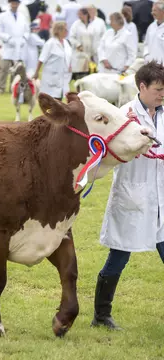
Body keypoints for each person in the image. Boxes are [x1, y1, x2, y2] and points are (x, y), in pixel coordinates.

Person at [92, 60, 164, 330]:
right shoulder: (124, 116)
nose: (162, 93)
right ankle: (101, 315)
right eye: (157, 89)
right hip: (134, 196)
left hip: (160, 198)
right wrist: (136, 142)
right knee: (119, 257)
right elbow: (111, 153)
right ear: (142, 86)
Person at [0, 0, 30, 94]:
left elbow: (27, 30)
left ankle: (13, 88)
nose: (14, 5)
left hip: (19, 46)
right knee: (4, 68)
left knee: (17, 69)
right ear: (10, 3)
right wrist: (7, 38)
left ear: (18, 4)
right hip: (7, 45)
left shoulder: (22, 16)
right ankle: (1, 87)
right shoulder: (2, 16)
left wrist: (24, 39)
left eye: (16, 3)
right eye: (13, 3)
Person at [33, 21, 72, 101]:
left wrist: (69, 65)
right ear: (59, 30)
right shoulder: (50, 43)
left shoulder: (66, 43)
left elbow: (68, 56)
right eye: (65, 29)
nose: (67, 31)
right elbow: (41, 59)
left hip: (63, 76)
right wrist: (36, 72)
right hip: (51, 76)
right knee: (50, 99)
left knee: (60, 98)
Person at [69, 8, 92, 78]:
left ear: (86, 15)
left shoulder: (92, 24)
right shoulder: (76, 24)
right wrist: (78, 45)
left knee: (89, 75)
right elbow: (71, 37)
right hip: (79, 53)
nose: (79, 16)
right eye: (78, 14)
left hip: (90, 53)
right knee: (79, 75)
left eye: (80, 14)